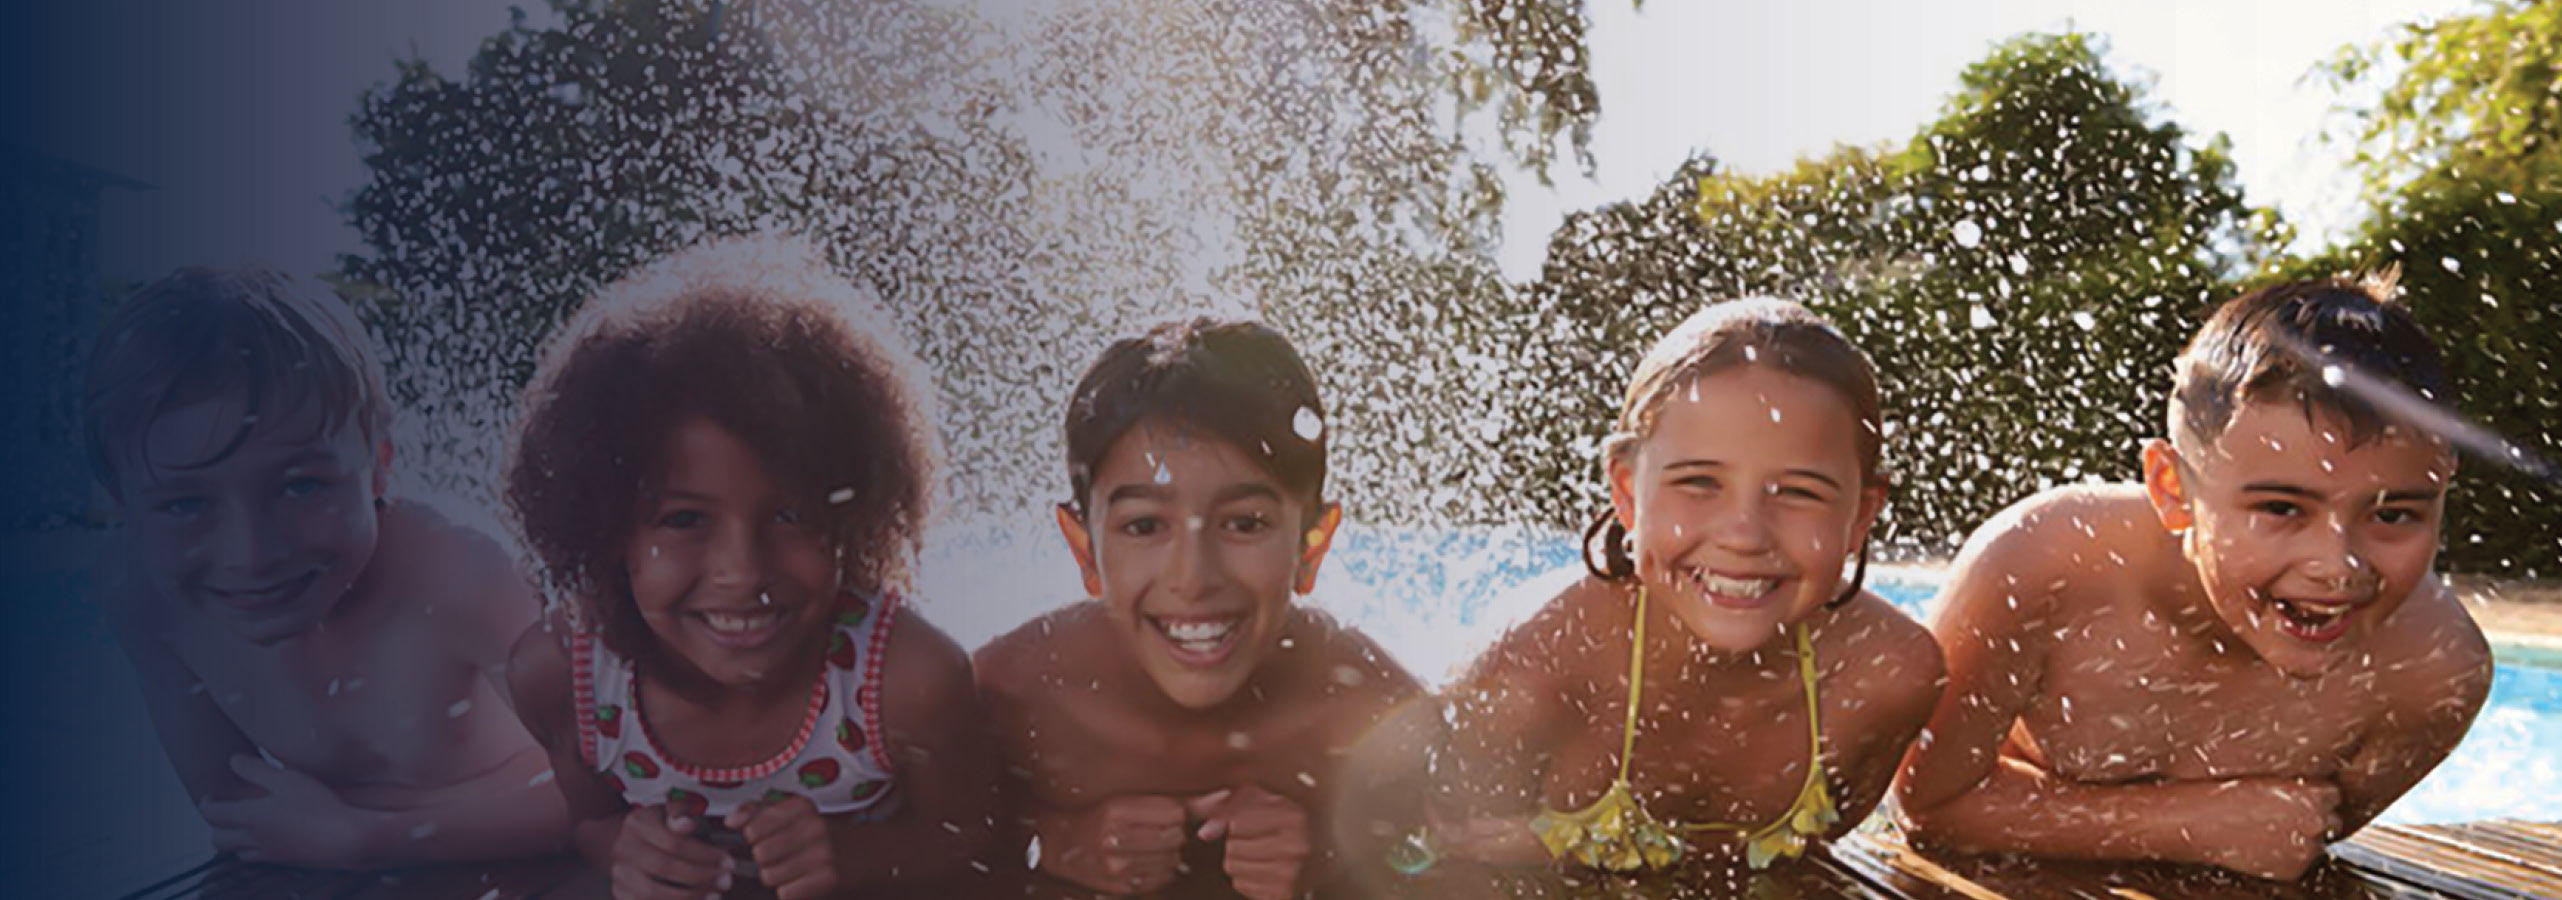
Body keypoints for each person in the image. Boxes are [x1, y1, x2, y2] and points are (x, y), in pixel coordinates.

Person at [1895, 276, 2494, 881]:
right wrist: (2190, 823)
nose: (2338, 566)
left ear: (2444, 483)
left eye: (2393, 515)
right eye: (2282, 509)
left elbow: (2288, 839)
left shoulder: (2433, 674)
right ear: (2172, 488)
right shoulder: (2045, 562)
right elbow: (1927, 804)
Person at [502, 239, 995, 899]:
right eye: (684, 519)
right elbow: (590, 818)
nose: (742, 572)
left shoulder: (906, 679)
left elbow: (977, 838)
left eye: (790, 514)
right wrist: (624, 849)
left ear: (854, 512)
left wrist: (855, 857)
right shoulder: (562, 672)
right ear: (603, 526)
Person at [1431, 297, 1944, 876]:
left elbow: (1808, 863)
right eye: (1699, 482)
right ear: (1627, 493)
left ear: (1860, 515)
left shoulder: (1886, 675)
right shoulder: (1540, 667)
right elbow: (1423, 858)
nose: (1745, 534)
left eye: (1799, 491)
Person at [83, 266, 569, 869]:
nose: (252, 554)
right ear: (121, 502)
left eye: (302, 486)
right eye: (186, 503)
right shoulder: (141, 592)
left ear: (379, 467)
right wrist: (351, 840)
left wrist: (367, 839)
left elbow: (609, 786)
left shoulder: (458, 572)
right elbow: (239, 816)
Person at [976, 318, 1427, 899]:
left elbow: (1445, 858)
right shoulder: (1016, 699)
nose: (1193, 578)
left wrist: (1332, 856)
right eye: (1144, 526)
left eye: (1245, 524)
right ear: (1084, 548)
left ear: (1311, 547)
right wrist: (1056, 845)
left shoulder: (1369, 711)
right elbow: (930, 865)